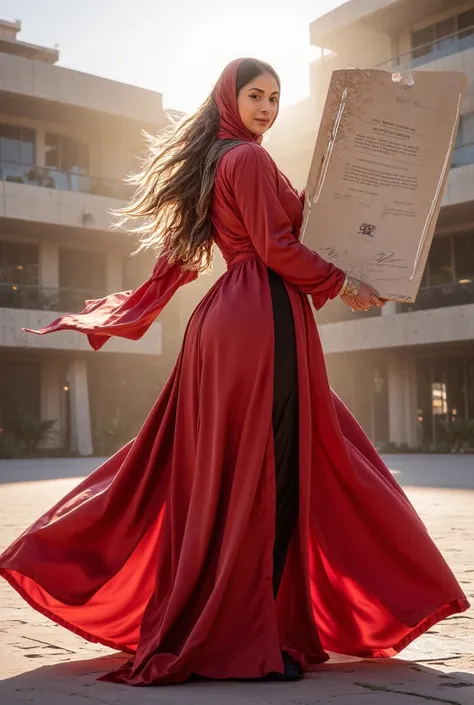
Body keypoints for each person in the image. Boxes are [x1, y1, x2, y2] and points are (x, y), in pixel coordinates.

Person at [0, 58, 468, 687]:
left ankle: (252, 625)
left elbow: (297, 232)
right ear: (230, 97)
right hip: (260, 315)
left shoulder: (232, 156)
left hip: (241, 315)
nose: (267, 108)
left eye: (275, 97)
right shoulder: (245, 160)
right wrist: (342, 280)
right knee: (268, 474)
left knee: (242, 470)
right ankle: (248, 637)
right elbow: (276, 248)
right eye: (255, 95)